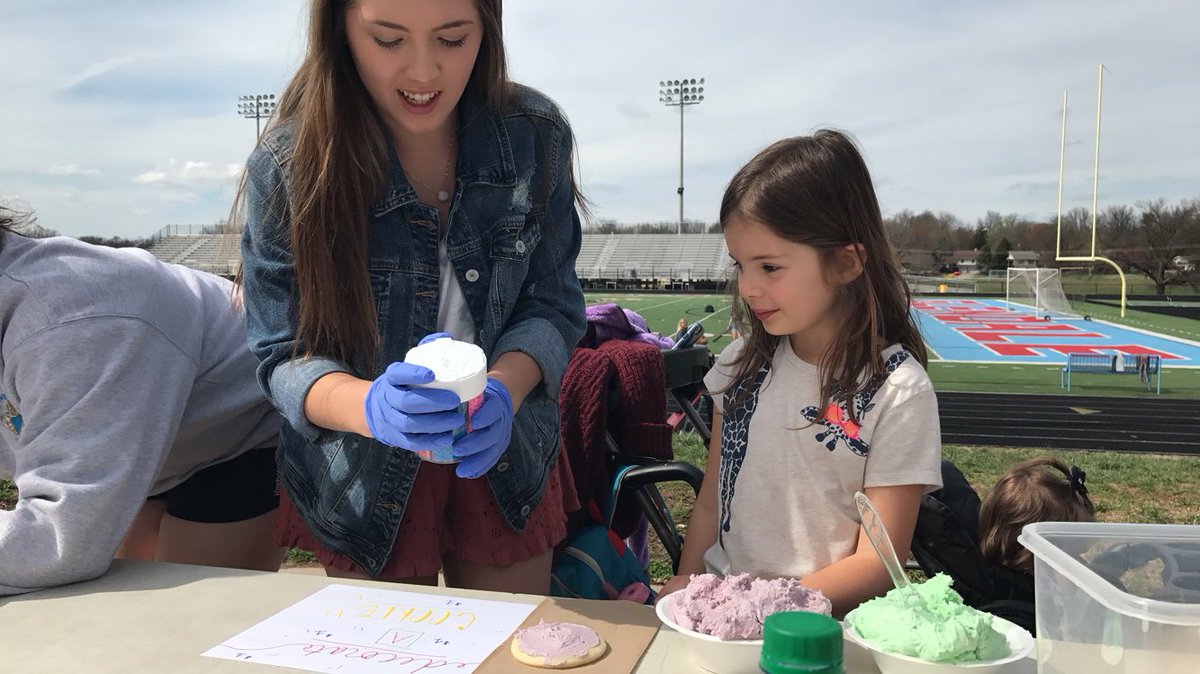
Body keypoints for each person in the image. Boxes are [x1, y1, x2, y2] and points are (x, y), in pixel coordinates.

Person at [236, 0, 586, 594]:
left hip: (504, 450)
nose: (423, 73)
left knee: (511, 650)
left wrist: (504, 387)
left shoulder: (534, 134)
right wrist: (372, 407)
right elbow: (282, 353)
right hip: (359, 469)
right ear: (339, 30)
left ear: (488, 30)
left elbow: (552, 303)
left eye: (452, 40)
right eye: (388, 40)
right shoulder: (291, 165)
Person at [657, 131, 943, 617]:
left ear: (847, 262)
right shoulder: (740, 365)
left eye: (769, 266)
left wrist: (769, 612)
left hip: (823, 634)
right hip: (723, 622)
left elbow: (880, 561)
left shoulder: (897, 391)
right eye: (740, 265)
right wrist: (689, 588)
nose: (748, 287)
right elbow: (709, 506)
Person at [0, 205, 284, 596]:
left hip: (242, 430)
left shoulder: (73, 318)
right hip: (151, 439)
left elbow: (62, 541)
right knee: (110, 610)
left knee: (186, 622)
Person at [978, 456, 1095, 601]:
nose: (1080, 562)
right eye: (1072, 553)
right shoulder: (1021, 594)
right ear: (1032, 550)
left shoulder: (988, 578)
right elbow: (1073, 615)